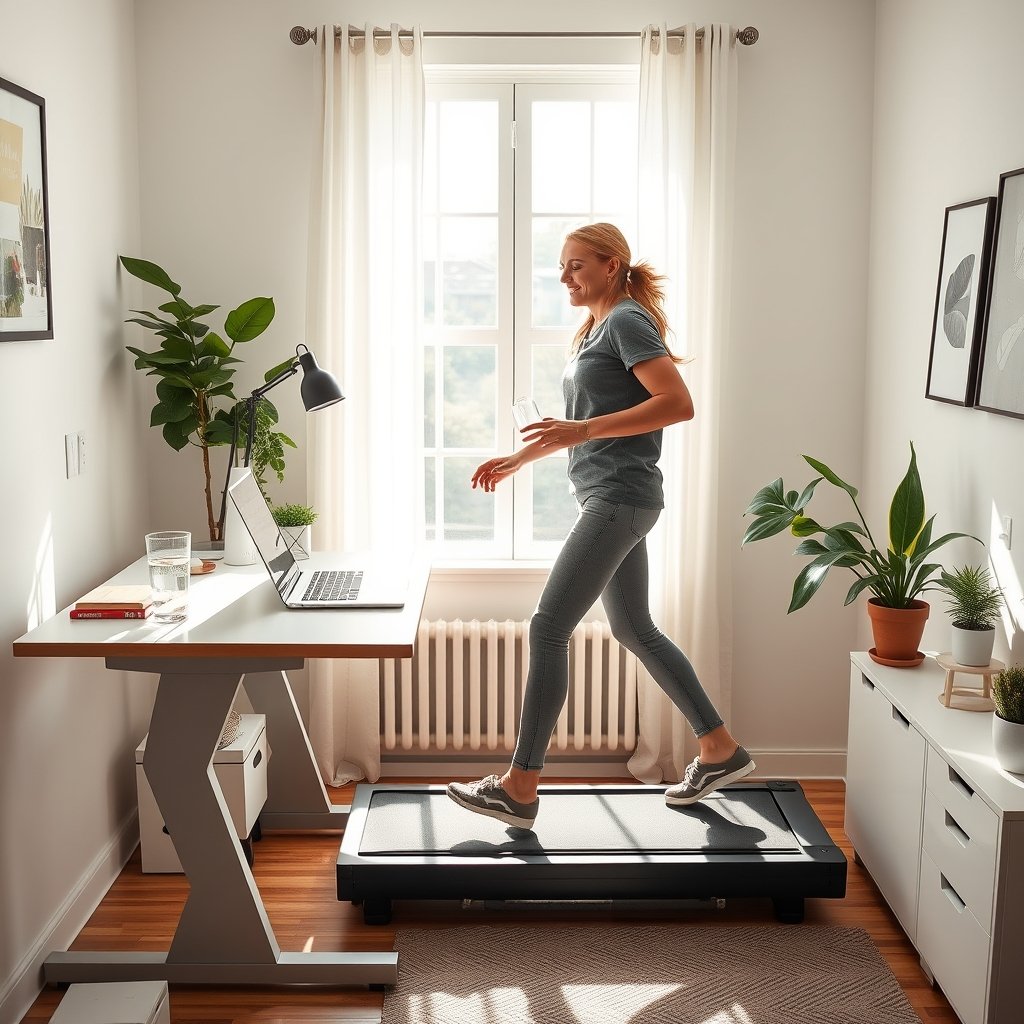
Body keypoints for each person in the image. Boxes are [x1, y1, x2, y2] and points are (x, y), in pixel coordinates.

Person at [447, 222, 753, 829]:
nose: (564, 276)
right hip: (614, 497)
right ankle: (720, 749)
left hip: (618, 499)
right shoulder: (594, 330)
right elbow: (585, 422)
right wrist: (518, 459)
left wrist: (580, 431)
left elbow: (677, 403)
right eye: (562, 267)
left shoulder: (625, 322)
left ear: (611, 265)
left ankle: (520, 784)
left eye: (576, 265)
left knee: (548, 628)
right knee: (634, 627)